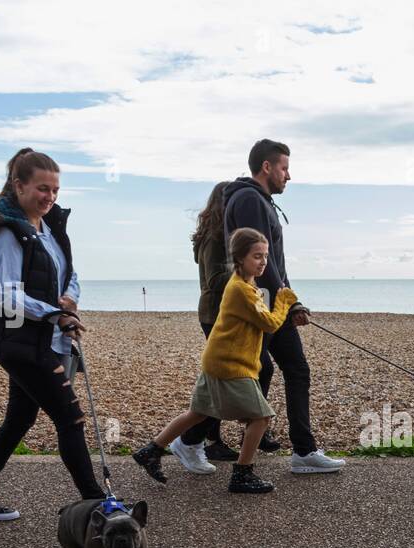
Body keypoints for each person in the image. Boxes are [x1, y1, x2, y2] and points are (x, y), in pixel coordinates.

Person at [0, 148, 103, 520]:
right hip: (18, 341)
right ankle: (98, 504)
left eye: (55, 190)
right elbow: (6, 294)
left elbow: (71, 273)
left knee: (20, 418)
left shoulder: (48, 226)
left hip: (41, 337)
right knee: (70, 419)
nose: (50, 197)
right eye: (42, 189)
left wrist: (69, 299)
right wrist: (55, 314)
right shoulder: (5, 232)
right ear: (18, 186)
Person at [131, 228, 297, 493]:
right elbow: (269, 324)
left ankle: (151, 450)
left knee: (198, 412)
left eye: (265, 256)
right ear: (240, 258)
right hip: (230, 366)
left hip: (218, 359)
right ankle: (242, 474)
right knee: (261, 418)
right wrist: (285, 301)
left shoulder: (246, 286)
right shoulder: (241, 289)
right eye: (257, 256)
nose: (263, 261)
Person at [223, 139, 344, 474]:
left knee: (266, 370)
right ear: (267, 167)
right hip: (262, 304)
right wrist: (286, 301)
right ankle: (302, 452)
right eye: (284, 168)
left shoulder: (258, 200)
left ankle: (193, 440)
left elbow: (272, 260)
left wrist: (291, 296)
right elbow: (261, 261)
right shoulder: (249, 199)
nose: (288, 176)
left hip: (269, 301)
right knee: (290, 369)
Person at [169, 182, 237, 474]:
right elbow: (214, 280)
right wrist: (245, 267)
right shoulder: (213, 237)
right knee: (222, 380)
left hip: (223, 313)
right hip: (214, 314)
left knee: (221, 378)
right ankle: (189, 439)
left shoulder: (223, 234)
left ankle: (211, 437)